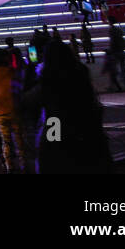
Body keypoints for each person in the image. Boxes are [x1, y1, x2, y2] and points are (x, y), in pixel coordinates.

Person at [35, 39, 113, 173]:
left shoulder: (47, 76)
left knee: (54, 158)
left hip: (56, 125)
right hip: (85, 124)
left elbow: (32, 101)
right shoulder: (80, 71)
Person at [106, 18, 125, 91]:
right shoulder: (119, 30)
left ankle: (113, 86)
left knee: (113, 70)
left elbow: (112, 42)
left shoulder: (112, 30)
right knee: (123, 69)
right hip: (122, 51)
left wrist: (110, 50)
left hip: (115, 52)